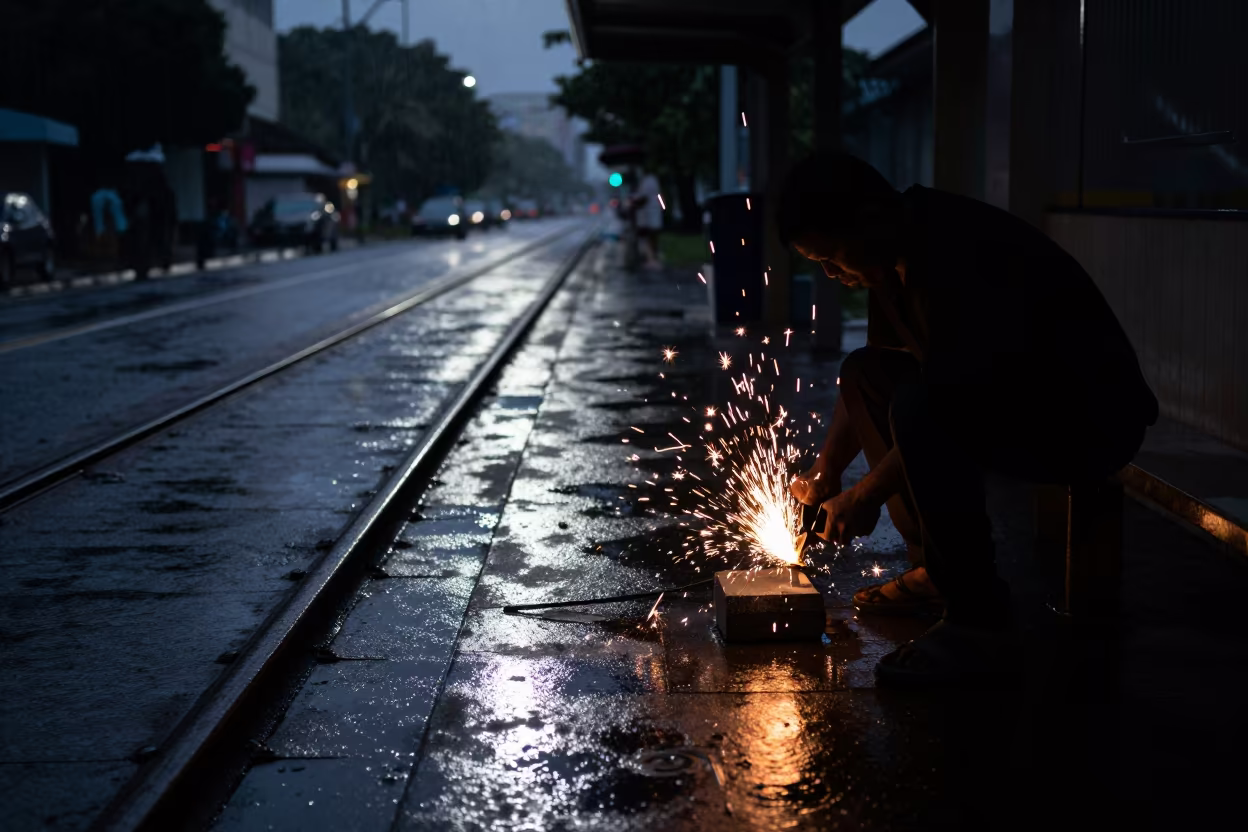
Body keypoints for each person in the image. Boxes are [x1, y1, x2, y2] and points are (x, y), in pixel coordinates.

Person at [780, 153, 1158, 685]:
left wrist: (864, 498)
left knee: (919, 405)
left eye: (832, 257)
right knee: (865, 373)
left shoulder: (955, 253)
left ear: (868, 219)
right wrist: (827, 473)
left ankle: (978, 621)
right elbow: (883, 382)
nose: (831, 274)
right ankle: (937, 569)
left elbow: (945, 399)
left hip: (1085, 416)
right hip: (1003, 398)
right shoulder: (888, 262)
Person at [631, 168, 663, 270]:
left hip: (649, 214)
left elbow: (643, 198)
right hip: (649, 214)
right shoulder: (649, 180)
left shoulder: (648, 181)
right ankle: (651, 258)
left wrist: (633, 203)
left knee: (649, 237)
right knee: (650, 236)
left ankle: (651, 259)